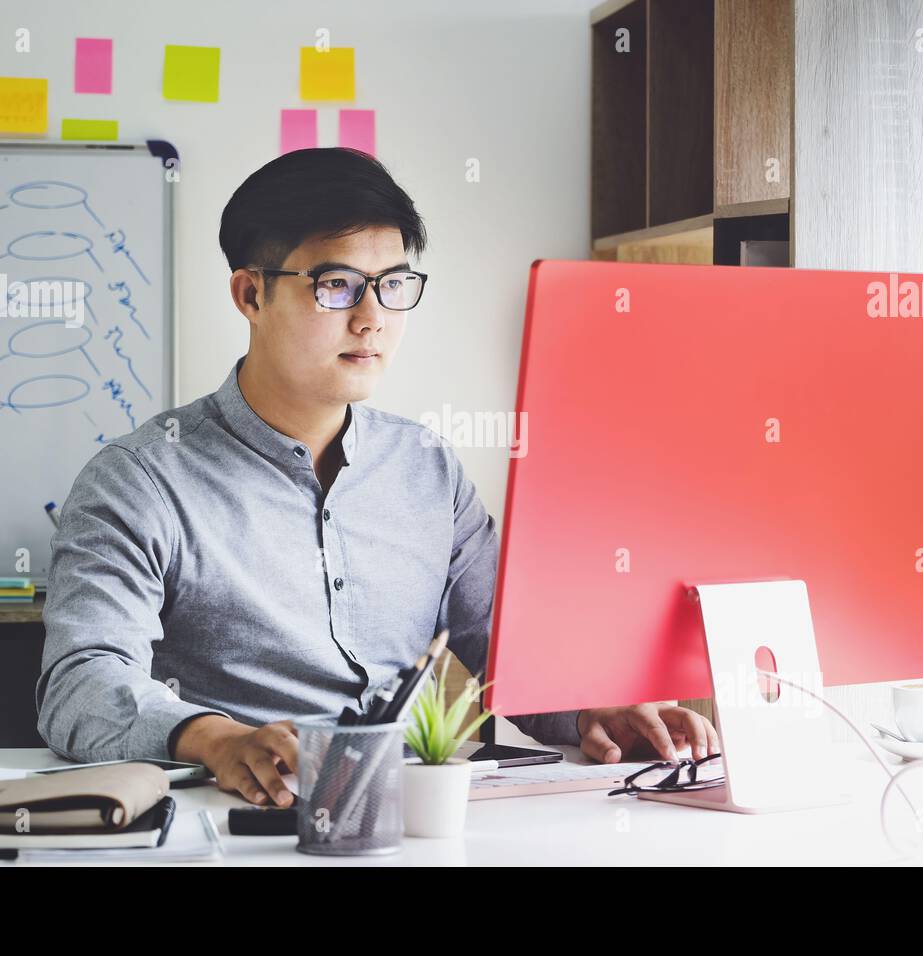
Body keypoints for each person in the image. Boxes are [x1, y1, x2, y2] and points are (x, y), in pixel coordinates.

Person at [36, 147, 720, 807]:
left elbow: (510, 655)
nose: (372, 319)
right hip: (243, 820)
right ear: (251, 294)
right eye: (335, 284)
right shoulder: (139, 481)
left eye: (392, 285)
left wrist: (597, 708)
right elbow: (81, 686)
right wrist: (219, 739)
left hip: (411, 817)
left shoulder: (426, 468)